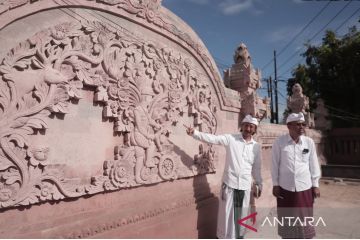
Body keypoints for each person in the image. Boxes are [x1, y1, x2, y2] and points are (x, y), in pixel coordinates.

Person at [184, 115, 262, 239]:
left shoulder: (256, 147)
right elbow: (213, 139)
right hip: (229, 186)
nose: (248, 128)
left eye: (251, 126)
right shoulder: (231, 139)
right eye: (246, 125)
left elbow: (256, 168)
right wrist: (195, 133)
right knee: (226, 218)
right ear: (242, 126)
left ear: (254, 129)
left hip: (245, 188)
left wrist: (259, 183)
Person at [271, 112, 321, 239]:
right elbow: (275, 164)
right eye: (298, 124)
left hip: (304, 188)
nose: (301, 127)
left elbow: (314, 164)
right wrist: (275, 184)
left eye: (303, 124)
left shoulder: (308, 142)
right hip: (285, 188)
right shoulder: (280, 142)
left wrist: (315, 185)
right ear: (289, 126)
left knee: (304, 218)